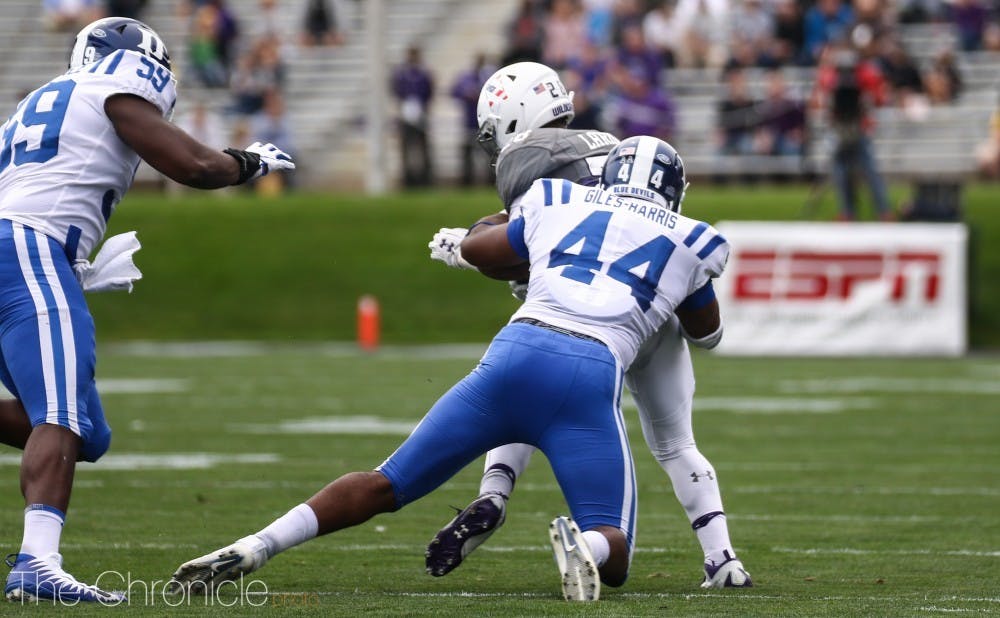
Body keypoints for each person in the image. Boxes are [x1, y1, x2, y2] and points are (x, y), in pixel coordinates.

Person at [169, 135, 728, 602]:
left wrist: (477, 234)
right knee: (614, 548)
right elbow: (708, 334)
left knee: (386, 482)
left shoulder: (558, 197)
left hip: (514, 352)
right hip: (587, 373)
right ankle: (584, 547)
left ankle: (259, 543)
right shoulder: (693, 239)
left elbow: (483, 251)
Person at [424, 62, 751, 589]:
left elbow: (518, 253)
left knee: (522, 396)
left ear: (514, 117)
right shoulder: (612, 146)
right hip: (648, 307)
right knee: (675, 445)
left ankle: (494, 493)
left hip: (576, 317)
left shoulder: (531, 163)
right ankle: (723, 560)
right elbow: (706, 331)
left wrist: (466, 248)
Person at [0, 17, 294, 603]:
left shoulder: (38, 103)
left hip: (26, 250)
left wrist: (73, 263)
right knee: (60, 414)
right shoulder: (112, 84)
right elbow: (193, 165)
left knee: (88, 432)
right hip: (28, 250)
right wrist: (248, 163)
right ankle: (37, 562)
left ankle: (39, 560)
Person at [450, 53, 496, 186]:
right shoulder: (466, 77)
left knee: (488, 152)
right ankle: (467, 179)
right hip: (470, 120)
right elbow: (455, 92)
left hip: (486, 122)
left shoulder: (488, 77)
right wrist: (467, 94)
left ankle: (490, 179)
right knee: (468, 151)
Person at [391, 45, 435, 187]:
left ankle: (425, 179)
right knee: (406, 147)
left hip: (421, 113)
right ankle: (408, 179)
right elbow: (396, 90)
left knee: (423, 147)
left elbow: (429, 91)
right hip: (406, 114)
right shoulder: (401, 74)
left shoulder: (423, 73)